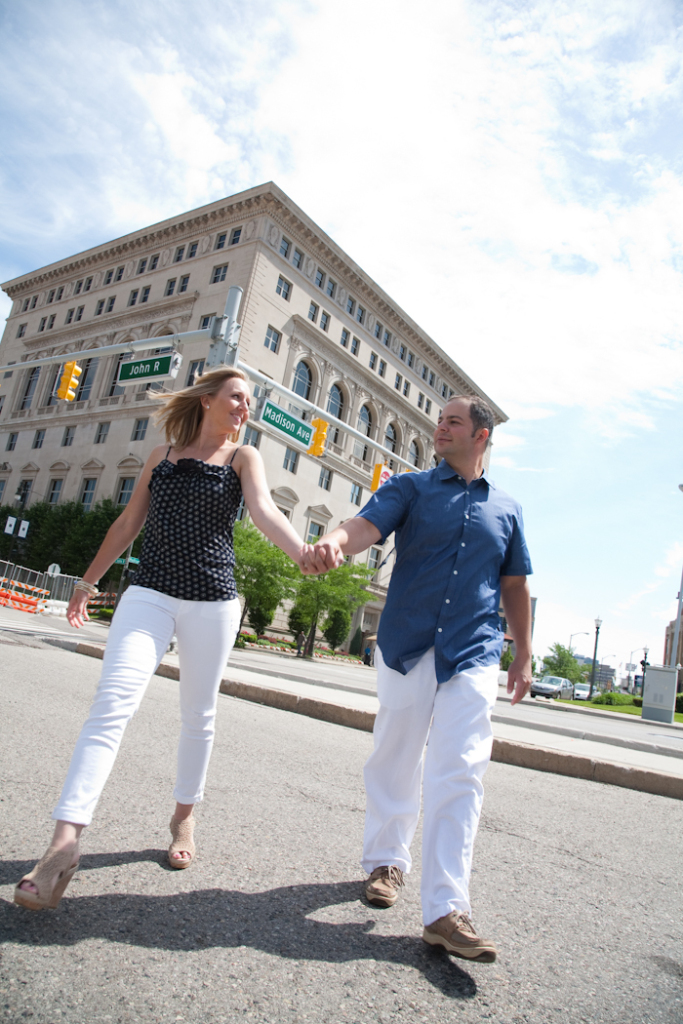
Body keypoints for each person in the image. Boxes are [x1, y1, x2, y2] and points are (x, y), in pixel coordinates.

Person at [15, 367, 314, 911]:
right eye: (237, 398)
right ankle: (64, 843)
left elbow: (266, 512)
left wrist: (302, 554)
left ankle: (183, 818)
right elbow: (129, 523)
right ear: (206, 400)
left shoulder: (242, 459)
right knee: (111, 705)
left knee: (198, 716)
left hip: (213, 601)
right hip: (148, 593)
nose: (245, 409)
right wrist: (87, 581)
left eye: (249, 402)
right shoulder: (162, 457)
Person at [308, 395, 533, 963]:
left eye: (454, 421)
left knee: (460, 769)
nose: (441, 427)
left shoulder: (506, 508)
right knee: (395, 756)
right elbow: (364, 525)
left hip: (474, 651)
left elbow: (513, 587)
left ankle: (445, 910)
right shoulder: (411, 488)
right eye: (440, 420)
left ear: (482, 436)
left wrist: (523, 653)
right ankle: (387, 861)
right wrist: (335, 542)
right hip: (407, 643)